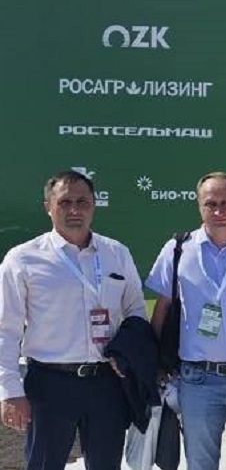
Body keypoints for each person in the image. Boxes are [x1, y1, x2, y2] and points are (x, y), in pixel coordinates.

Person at [0, 170, 147, 470]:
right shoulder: (23, 259)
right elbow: (6, 329)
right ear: (48, 207)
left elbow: (135, 312)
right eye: (64, 202)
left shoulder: (116, 253)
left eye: (82, 202)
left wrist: (128, 355)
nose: (74, 210)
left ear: (94, 205)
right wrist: (9, 390)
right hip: (50, 384)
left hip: (107, 384)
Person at [146, 172, 226, 470]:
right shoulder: (178, 250)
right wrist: (155, 362)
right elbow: (162, 308)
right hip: (198, 380)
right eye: (211, 204)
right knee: (200, 464)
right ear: (199, 206)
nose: (219, 211)